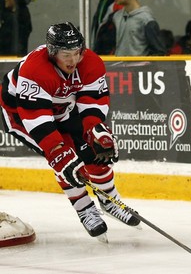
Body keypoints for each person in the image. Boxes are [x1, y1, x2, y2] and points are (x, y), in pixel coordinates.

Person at [0, 22, 140, 242]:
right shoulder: (35, 69)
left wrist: (95, 129)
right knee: (64, 159)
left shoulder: (91, 62)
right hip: (21, 115)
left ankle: (110, 200)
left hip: (63, 109)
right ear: (52, 52)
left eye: (77, 52)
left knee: (96, 150)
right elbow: (36, 117)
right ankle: (84, 208)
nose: (73, 60)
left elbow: (93, 100)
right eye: (66, 54)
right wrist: (57, 150)